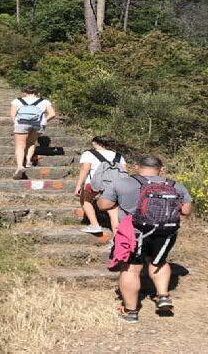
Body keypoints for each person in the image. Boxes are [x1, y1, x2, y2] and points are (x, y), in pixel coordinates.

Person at [97, 155, 192, 323]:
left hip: (134, 233)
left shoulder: (122, 183)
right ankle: (163, 296)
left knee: (131, 268)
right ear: (161, 169)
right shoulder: (176, 186)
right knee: (159, 262)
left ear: (136, 167)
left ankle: (131, 311)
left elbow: (103, 205)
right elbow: (186, 211)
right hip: (165, 232)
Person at [73, 137, 126, 235]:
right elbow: (124, 172)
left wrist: (78, 185)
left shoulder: (88, 154)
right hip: (115, 186)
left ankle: (95, 225)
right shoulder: (119, 156)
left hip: (95, 185)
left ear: (94, 143)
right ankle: (118, 239)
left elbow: (85, 169)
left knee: (85, 200)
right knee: (112, 210)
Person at [10, 85, 56, 179]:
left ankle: (20, 166)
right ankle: (28, 161)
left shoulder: (17, 101)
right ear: (37, 93)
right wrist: (44, 121)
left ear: (24, 92)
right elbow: (52, 114)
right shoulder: (44, 101)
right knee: (31, 143)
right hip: (37, 125)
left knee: (20, 146)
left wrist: (16, 123)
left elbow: (12, 114)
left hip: (21, 124)